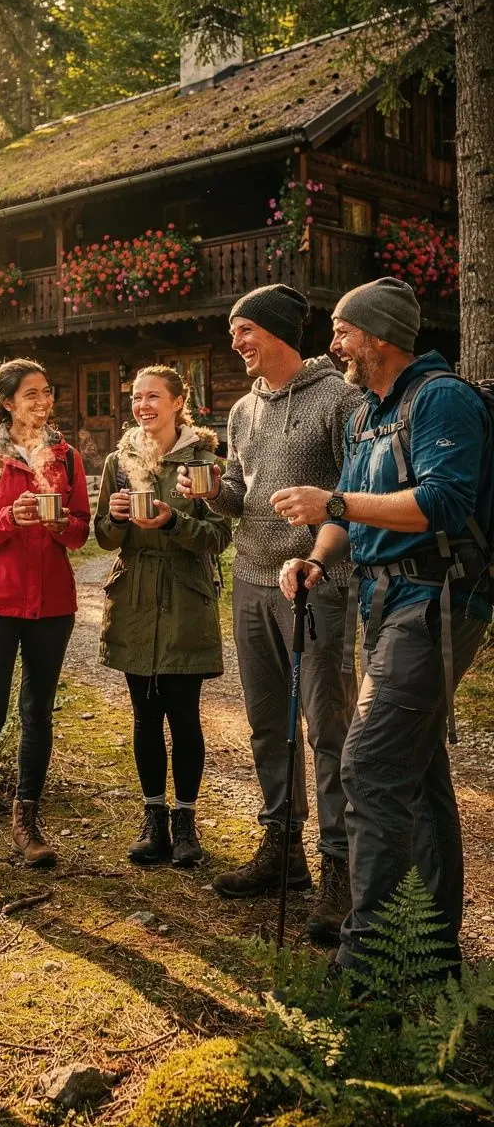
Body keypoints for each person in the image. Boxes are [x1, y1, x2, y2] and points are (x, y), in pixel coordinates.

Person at [275, 276, 491, 975]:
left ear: (378, 336)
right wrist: (315, 558)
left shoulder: (444, 400)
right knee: (415, 773)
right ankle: (429, 951)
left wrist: (334, 500)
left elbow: (441, 503)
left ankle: (369, 962)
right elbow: (349, 513)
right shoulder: (367, 412)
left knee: (368, 766)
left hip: (437, 603)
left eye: (343, 331)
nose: (333, 344)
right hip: (386, 604)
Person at [176, 285, 361, 944]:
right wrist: (209, 493)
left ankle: (339, 872)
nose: (236, 342)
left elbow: (357, 495)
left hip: (318, 582)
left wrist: (319, 546)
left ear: (280, 332)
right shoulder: (243, 409)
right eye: (233, 331)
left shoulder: (339, 398)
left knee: (327, 729)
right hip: (250, 581)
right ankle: (282, 851)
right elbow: (239, 494)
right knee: (264, 725)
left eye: (246, 329)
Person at [0, 358, 90, 884]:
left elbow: (79, 533)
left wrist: (57, 523)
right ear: (6, 402)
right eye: (31, 393)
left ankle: (27, 826)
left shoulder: (66, 457)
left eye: (46, 391)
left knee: (39, 713)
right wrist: (9, 518)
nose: (42, 400)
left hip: (52, 603)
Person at [94, 365, 229, 868]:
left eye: (153, 397)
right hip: (132, 597)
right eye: (136, 397)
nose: (143, 406)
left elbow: (218, 537)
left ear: (178, 401)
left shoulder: (204, 461)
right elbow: (103, 536)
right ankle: (153, 819)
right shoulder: (119, 460)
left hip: (186, 596)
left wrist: (173, 521)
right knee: (145, 715)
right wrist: (118, 517)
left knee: (184, 715)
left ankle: (186, 822)